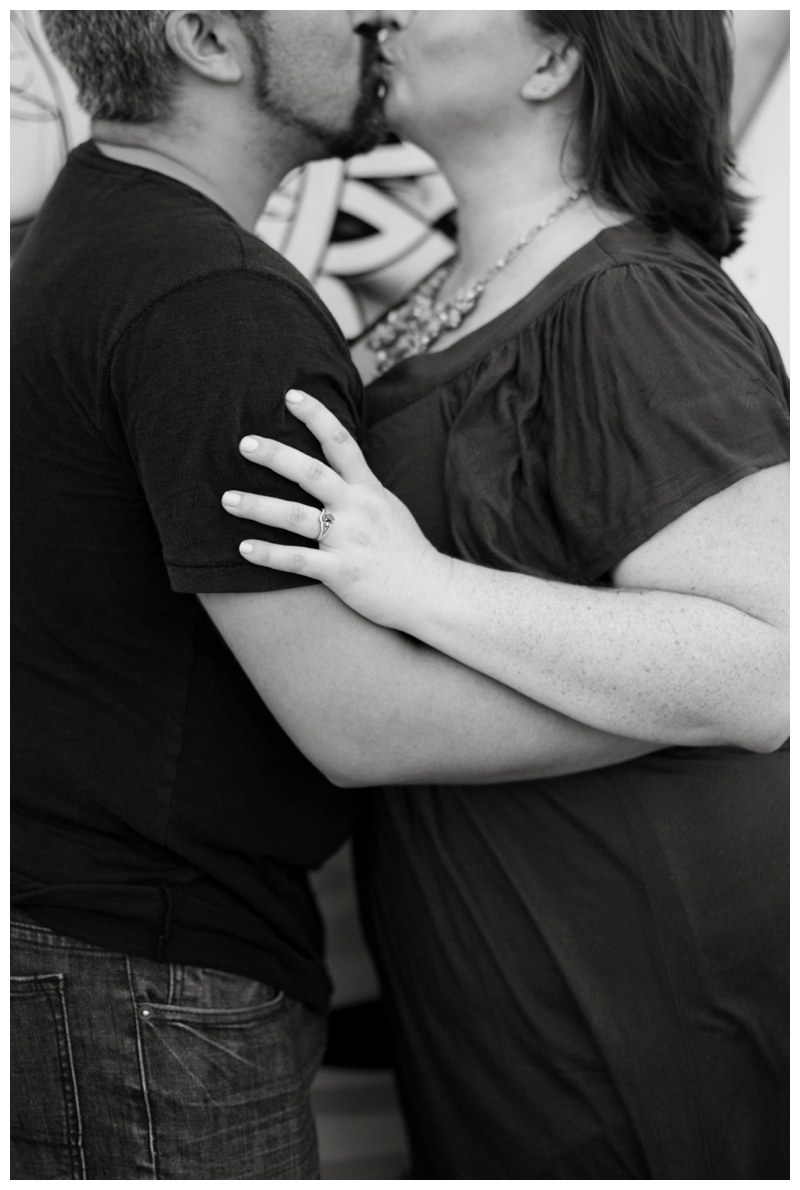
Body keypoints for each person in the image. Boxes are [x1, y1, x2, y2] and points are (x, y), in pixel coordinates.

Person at [11, 9, 672, 1179]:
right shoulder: (209, 301)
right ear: (208, 40)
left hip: (103, 957)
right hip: (150, 988)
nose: (375, 12)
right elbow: (358, 718)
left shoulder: (99, 228)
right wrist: (689, 702)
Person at [220, 11, 789, 1179]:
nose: (388, 12)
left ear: (554, 56)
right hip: (474, 947)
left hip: (626, 954)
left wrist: (420, 583)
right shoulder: (453, 288)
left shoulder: (633, 298)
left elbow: (764, 668)